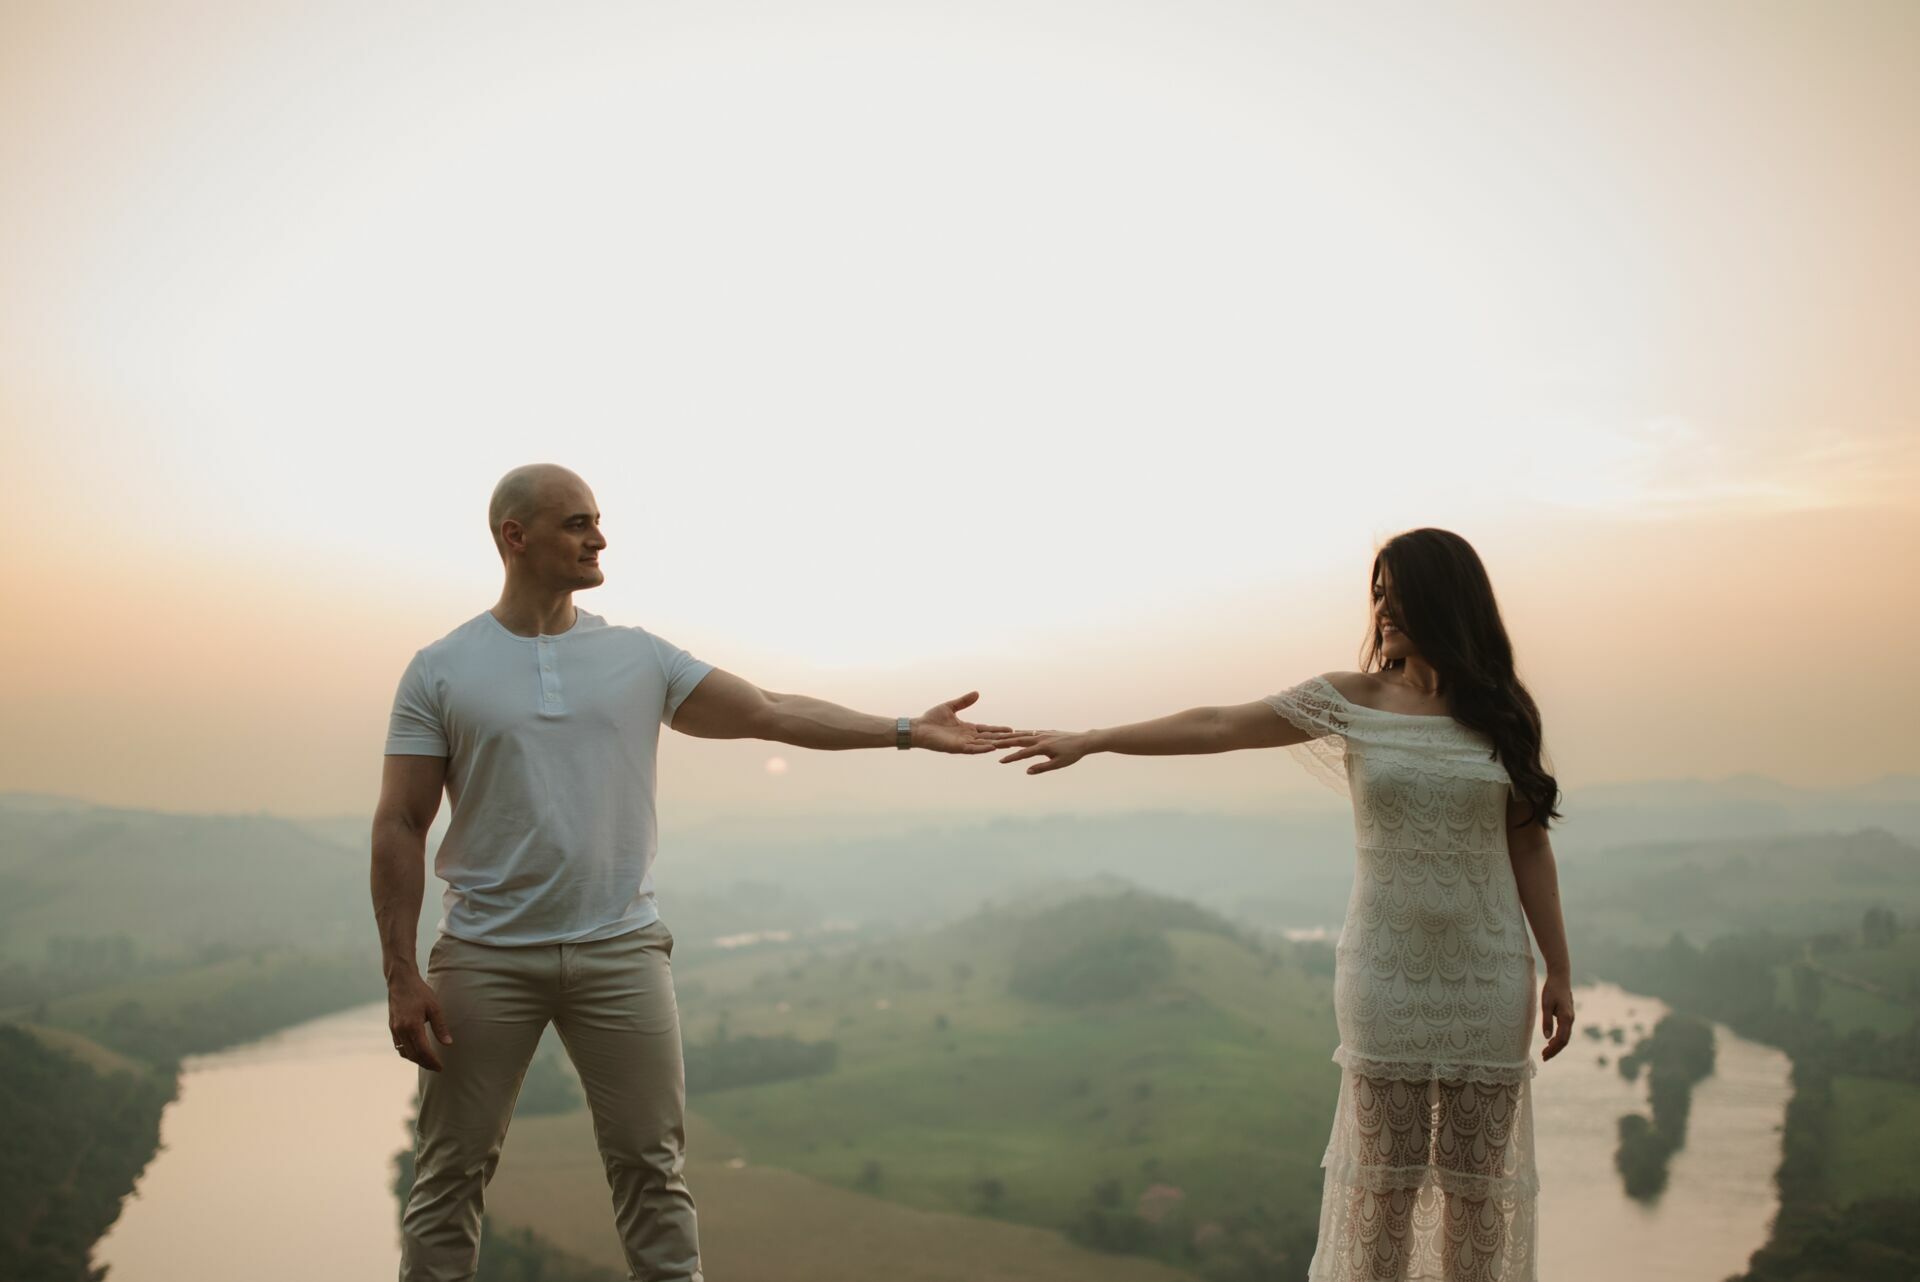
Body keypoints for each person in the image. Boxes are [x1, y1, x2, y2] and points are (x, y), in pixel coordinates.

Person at [371, 463, 1011, 1282]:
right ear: (514, 536)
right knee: (450, 1176)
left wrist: (904, 730)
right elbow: (400, 823)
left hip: (620, 952)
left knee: (652, 1171)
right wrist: (399, 973)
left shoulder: (639, 656)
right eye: (576, 523)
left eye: (597, 520)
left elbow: (772, 711)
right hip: (485, 957)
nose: (599, 537)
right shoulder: (440, 669)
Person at [996, 527, 1573, 1282]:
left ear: (1446, 598)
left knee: (1477, 1193)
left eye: (1398, 594)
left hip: (1490, 979)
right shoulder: (1353, 699)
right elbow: (1218, 725)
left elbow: (1528, 845)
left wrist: (1558, 970)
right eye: (1377, 595)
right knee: (1385, 1191)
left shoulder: (1503, 714)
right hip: (1386, 977)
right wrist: (1097, 738)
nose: (1382, 609)